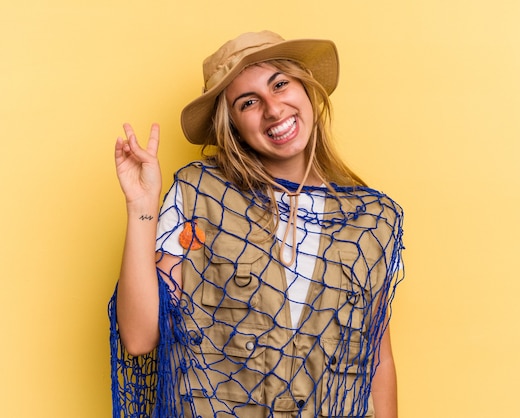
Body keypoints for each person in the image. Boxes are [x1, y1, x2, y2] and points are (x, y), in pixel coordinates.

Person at [110, 30, 404, 418]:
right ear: (230, 124)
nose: (273, 108)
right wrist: (141, 206)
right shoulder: (200, 195)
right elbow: (139, 336)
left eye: (280, 84)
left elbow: (376, 357)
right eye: (249, 102)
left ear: (306, 88)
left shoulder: (372, 221)